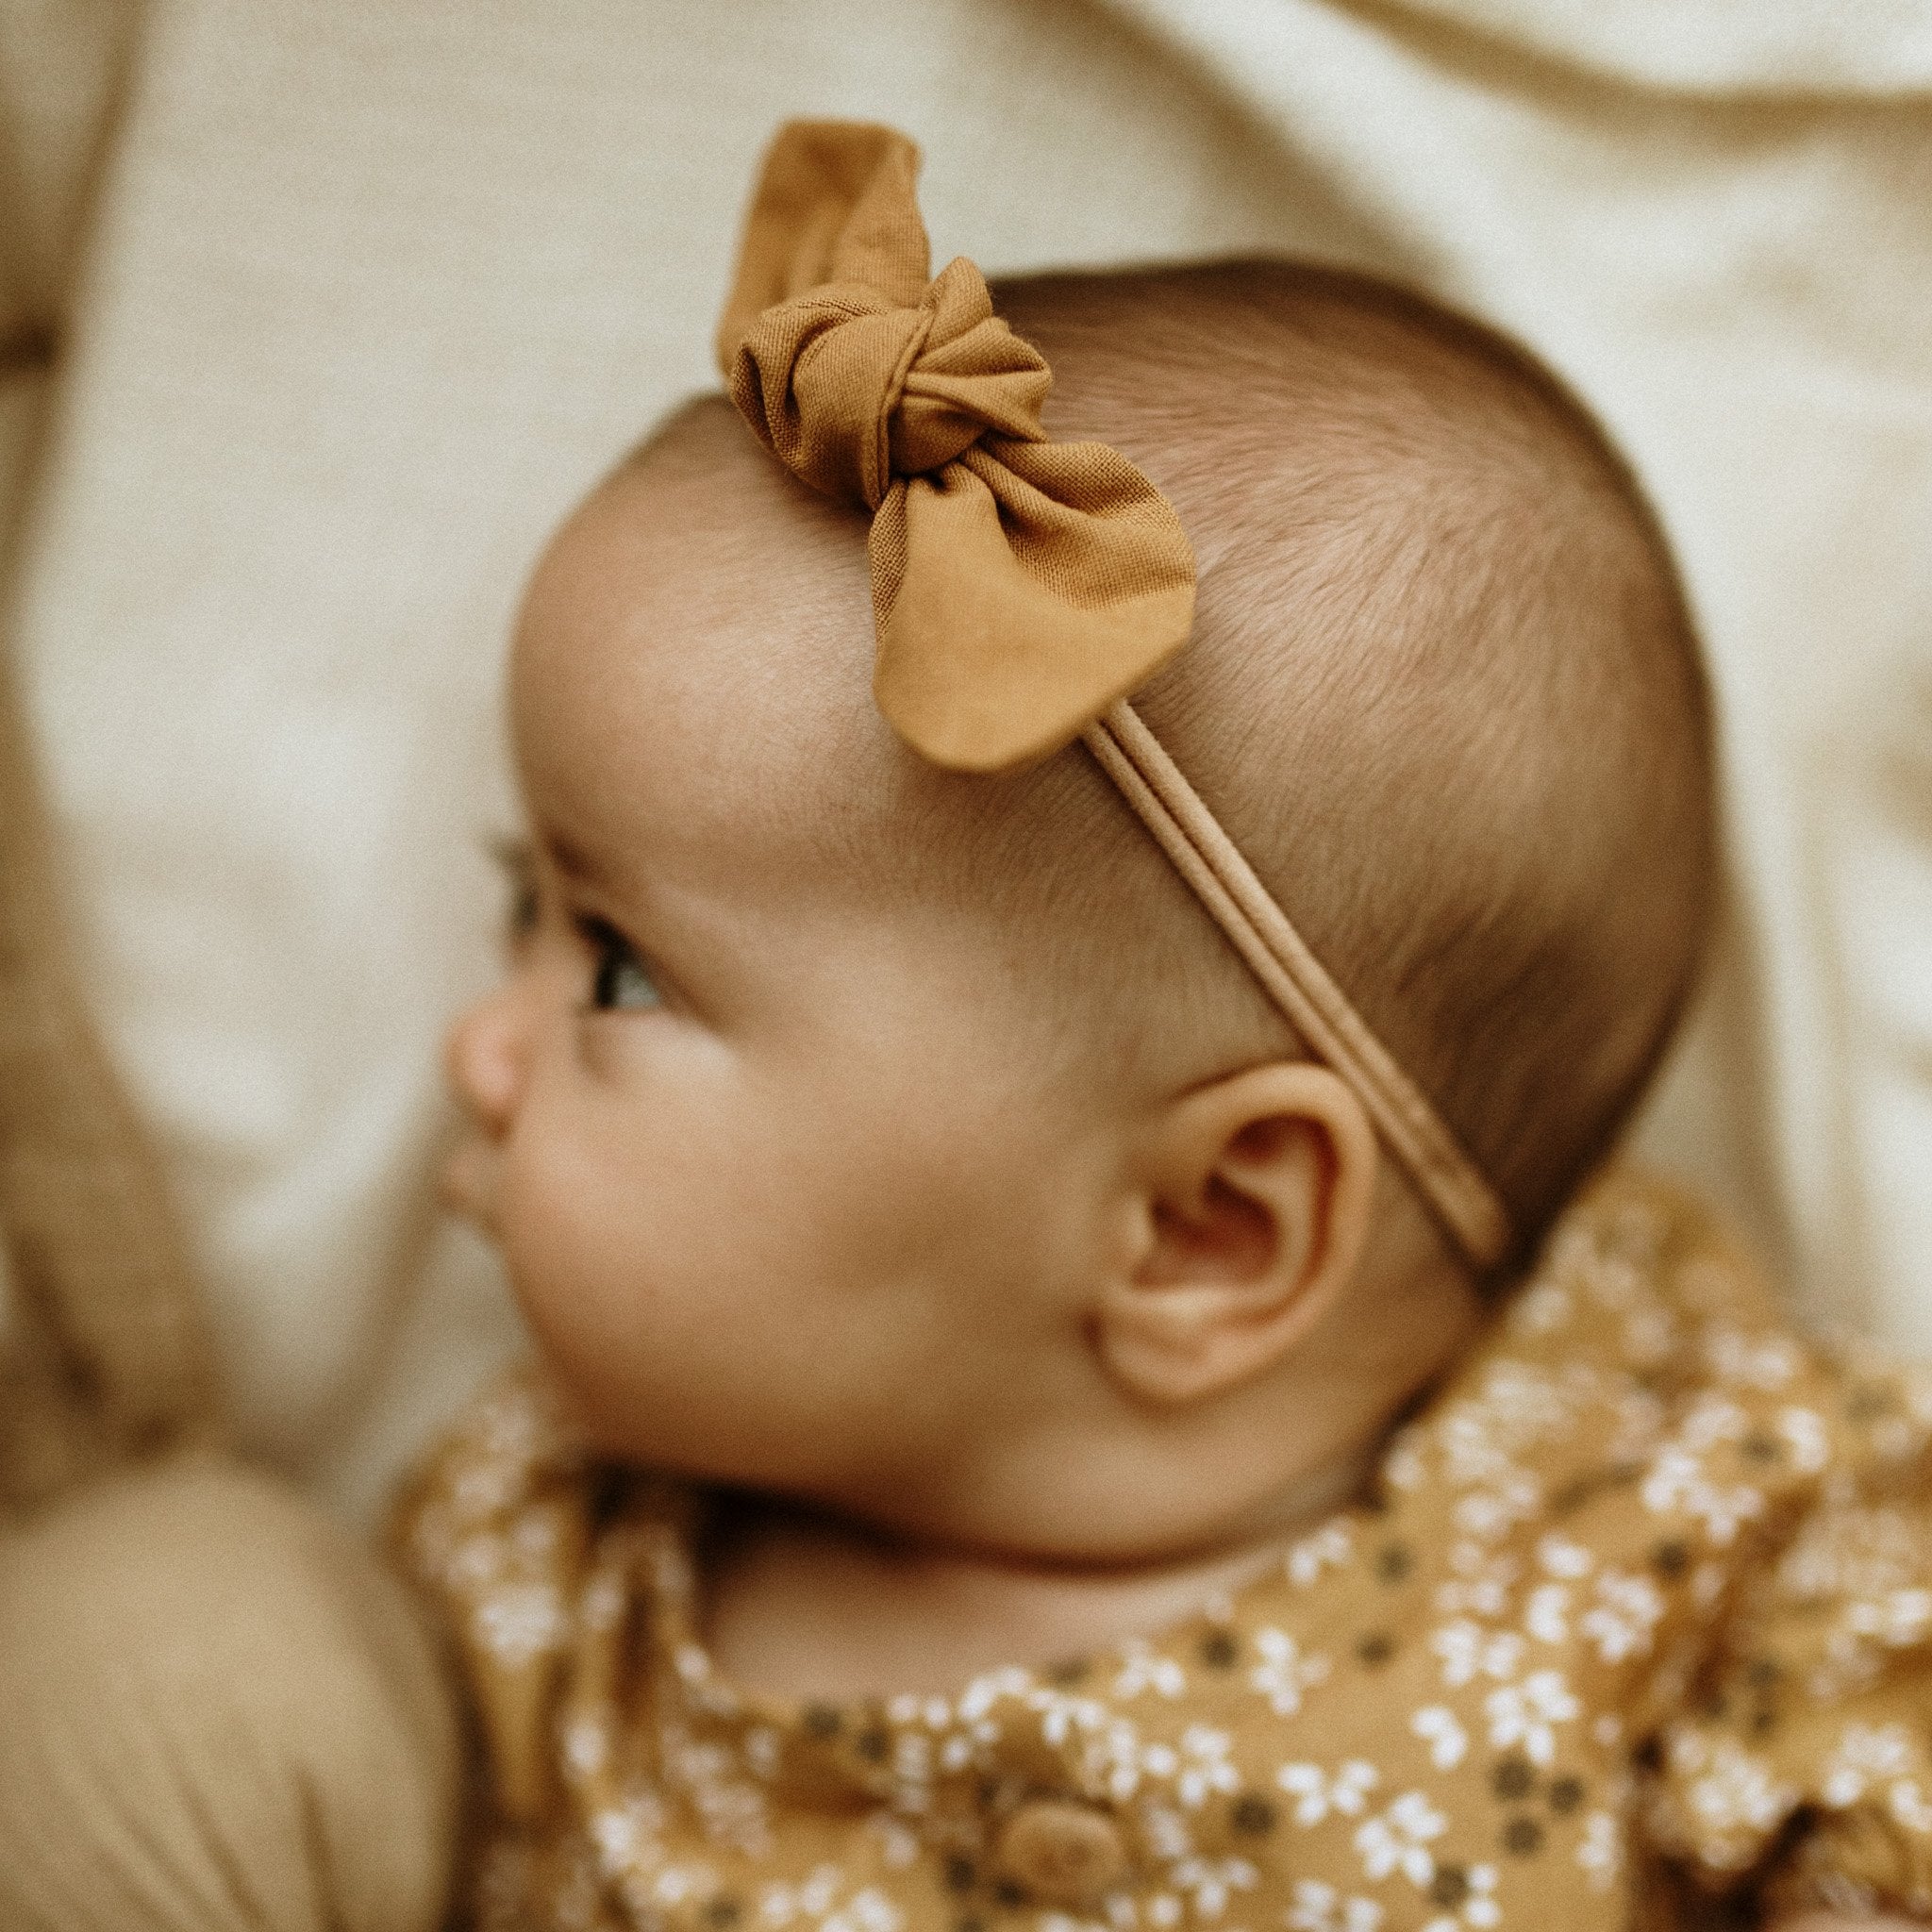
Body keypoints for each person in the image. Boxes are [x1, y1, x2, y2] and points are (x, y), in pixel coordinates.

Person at [1, 122, 1923, 1932]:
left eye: (615, 971)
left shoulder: (1686, 1510)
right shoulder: (541, 1592)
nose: (474, 1054)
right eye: (530, 900)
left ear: (1206, 1227)